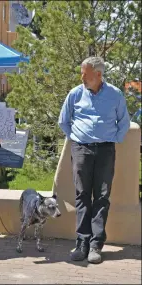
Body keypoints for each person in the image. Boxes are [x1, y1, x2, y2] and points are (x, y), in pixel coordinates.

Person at [58, 57, 130, 264]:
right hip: (81, 149)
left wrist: (112, 139)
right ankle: (82, 242)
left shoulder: (115, 94)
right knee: (82, 195)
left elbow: (123, 122)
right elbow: (64, 120)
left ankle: (96, 245)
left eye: (85, 73)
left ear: (98, 74)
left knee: (101, 197)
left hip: (106, 151)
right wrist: (78, 139)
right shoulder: (75, 93)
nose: (82, 77)